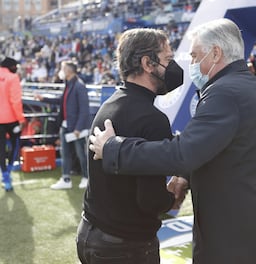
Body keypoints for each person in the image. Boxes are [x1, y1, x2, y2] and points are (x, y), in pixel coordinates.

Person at [89, 18, 256, 263]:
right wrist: (185, 174)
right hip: (254, 228)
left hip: (237, 239)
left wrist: (114, 149)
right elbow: (218, 146)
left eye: (195, 56)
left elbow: (183, 152)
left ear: (215, 53)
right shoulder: (249, 85)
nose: (191, 64)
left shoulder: (225, 92)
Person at [76, 28, 183, 264]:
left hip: (89, 233)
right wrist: (176, 192)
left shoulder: (110, 104)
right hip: (124, 246)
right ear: (147, 63)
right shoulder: (152, 119)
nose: (173, 66)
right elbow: (151, 200)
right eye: (167, 59)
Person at [35, 60, 90, 189]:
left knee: (81, 154)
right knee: (65, 153)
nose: (60, 71)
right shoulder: (68, 84)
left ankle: (87, 178)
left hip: (76, 128)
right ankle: (65, 179)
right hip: (65, 126)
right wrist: (44, 99)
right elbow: (61, 101)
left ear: (69, 71)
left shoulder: (79, 86)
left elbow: (84, 110)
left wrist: (78, 128)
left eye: (62, 68)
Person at [0, 57, 26, 192]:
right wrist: (21, 119)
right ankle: (7, 173)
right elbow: (15, 100)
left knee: (0, 149)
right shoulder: (13, 78)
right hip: (11, 119)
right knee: (15, 145)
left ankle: (4, 175)